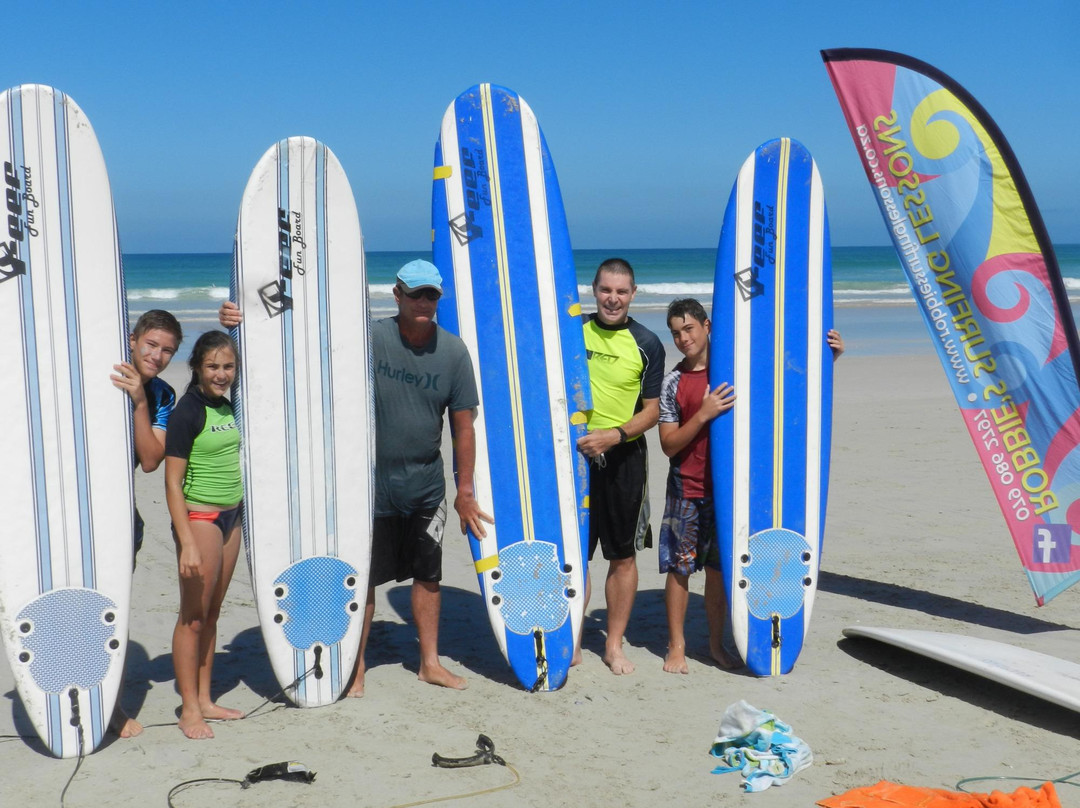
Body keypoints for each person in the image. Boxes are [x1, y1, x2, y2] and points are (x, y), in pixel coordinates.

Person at [218, 259, 491, 695]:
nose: (424, 302)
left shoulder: (453, 353)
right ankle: (356, 666)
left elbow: (463, 426)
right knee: (363, 577)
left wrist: (465, 491)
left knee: (429, 576)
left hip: (425, 487)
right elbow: (301, 339)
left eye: (431, 295)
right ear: (397, 295)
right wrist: (241, 321)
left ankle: (429, 663)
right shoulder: (369, 339)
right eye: (415, 293)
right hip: (367, 488)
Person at [658, 298, 845, 674]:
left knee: (716, 571)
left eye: (689, 329)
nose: (683, 338)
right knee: (679, 570)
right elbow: (668, 444)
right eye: (676, 333)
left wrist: (829, 359)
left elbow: (785, 387)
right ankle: (676, 645)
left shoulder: (734, 372)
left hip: (731, 491)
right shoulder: (672, 382)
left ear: (707, 326)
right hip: (687, 488)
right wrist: (703, 415)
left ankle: (714, 643)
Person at [574, 258, 665, 675]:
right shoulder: (572, 332)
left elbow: (652, 412)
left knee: (622, 555)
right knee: (574, 554)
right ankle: (571, 638)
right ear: (594, 290)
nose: (613, 298)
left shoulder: (647, 343)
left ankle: (613, 645)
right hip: (573, 459)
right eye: (606, 290)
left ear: (632, 294)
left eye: (622, 291)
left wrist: (614, 435)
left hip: (625, 458)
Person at [164, 331, 244, 739]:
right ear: (197, 365)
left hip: (232, 519)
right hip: (201, 519)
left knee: (211, 614)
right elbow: (172, 482)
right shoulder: (187, 411)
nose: (221, 374)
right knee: (192, 618)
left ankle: (207, 699)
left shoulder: (230, 405)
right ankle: (189, 709)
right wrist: (188, 543)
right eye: (213, 366)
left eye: (228, 366)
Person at [108, 309, 183, 738]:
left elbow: (152, 460)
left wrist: (139, 399)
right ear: (132, 338)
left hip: (122, 514)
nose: (156, 356)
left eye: (167, 350)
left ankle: (111, 704)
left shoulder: (162, 395)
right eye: (151, 344)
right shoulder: (99, 366)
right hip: (76, 506)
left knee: (112, 608)